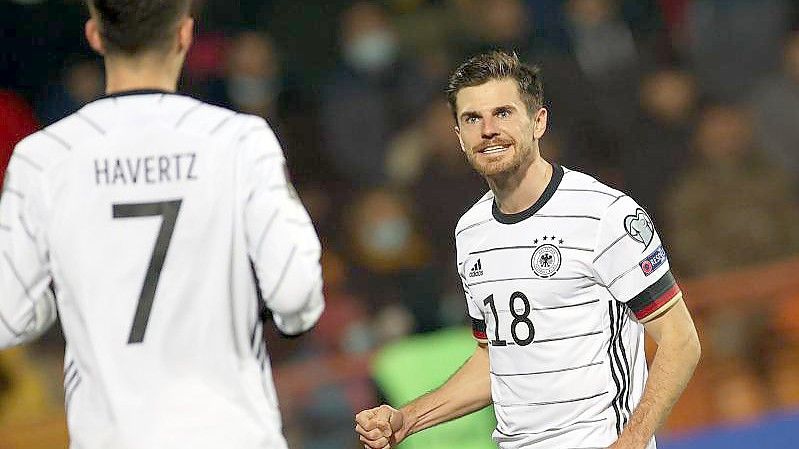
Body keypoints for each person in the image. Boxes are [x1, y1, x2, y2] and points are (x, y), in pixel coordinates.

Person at [0, 1, 324, 448]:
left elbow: (8, 316)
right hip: (231, 432)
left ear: (95, 35)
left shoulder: (44, 157)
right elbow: (296, 293)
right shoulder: (239, 139)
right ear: (184, 35)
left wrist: (68, 296)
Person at [355, 51, 701, 449]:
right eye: (472, 119)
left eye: (502, 113)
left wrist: (634, 440)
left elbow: (680, 339)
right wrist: (408, 419)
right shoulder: (471, 231)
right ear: (458, 135)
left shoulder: (604, 215)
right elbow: (495, 362)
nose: (487, 130)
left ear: (538, 122)